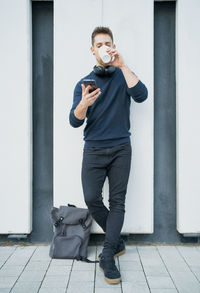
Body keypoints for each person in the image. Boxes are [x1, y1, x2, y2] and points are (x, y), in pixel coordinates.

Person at [69, 26, 148, 284]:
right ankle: (117, 240)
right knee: (92, 199)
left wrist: (123, 65)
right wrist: (84, 104)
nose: (104, 47)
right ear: (92, 49)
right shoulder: (84, 84)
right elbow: (74, 121)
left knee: (117, 202)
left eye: (108, 43)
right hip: (93, 148)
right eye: (100, 44)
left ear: (113, 47)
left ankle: (107, 255)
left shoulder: (123, 77)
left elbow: (142, 95)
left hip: (120, 149)